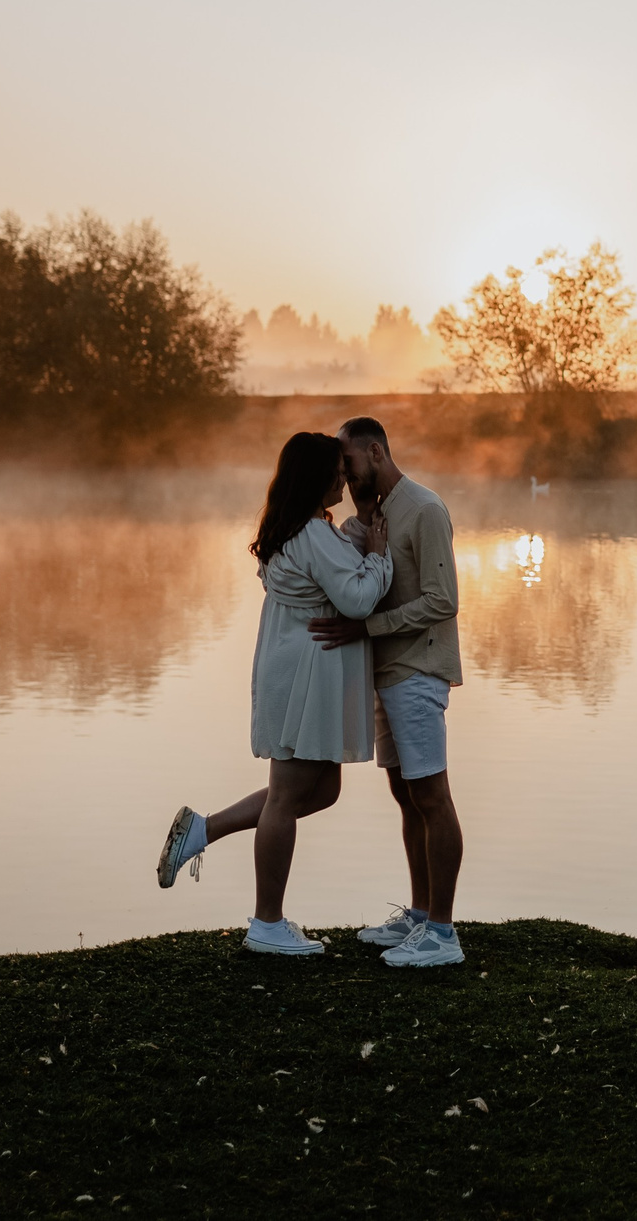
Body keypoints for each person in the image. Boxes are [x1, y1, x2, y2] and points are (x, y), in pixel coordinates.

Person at [155, 431, 392, 956]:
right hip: (306, 675)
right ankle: (266, 923)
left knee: (322, 790)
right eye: (337, 473)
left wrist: (361, 525)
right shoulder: (310, 534)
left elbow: (335, 557)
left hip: (295, 667)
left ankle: (203, 830)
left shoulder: (296, 529)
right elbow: (356, 599)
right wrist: (379, 557)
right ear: (315, 478)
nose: (343, 480)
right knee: (285, 798)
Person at [315, 415, 467, 969]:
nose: (344, 472)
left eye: (349, 462)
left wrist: (368, 628)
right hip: (387, 673)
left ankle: (443, 934)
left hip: (418, 673)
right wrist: (356, 519)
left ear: (376, 452)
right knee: (406, 795)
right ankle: (421, 915)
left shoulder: (424, 509)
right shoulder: (375, 514)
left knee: (432, 796)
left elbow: (443, 600)